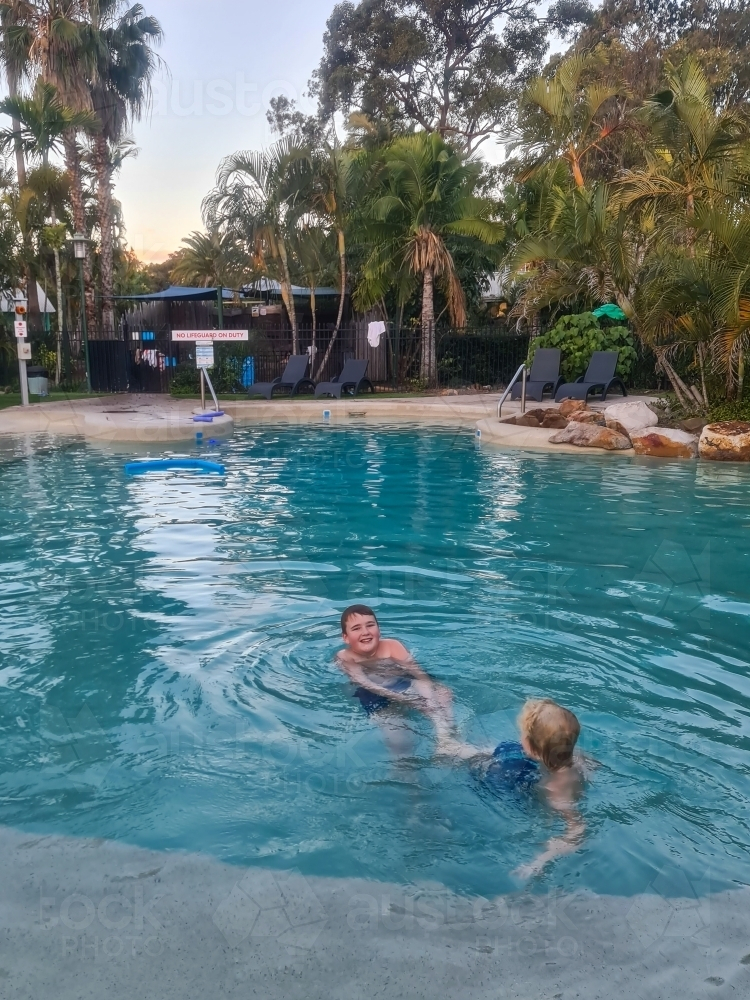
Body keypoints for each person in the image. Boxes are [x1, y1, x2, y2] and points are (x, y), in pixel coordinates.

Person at [335, 605, 479, 759]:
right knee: (400, 741)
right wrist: (404, 699)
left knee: (443, 694)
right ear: (346, 637)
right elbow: (366, 684)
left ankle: (445, 740)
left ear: (379, 629)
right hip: (374, 696)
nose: (365, 632)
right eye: (356, 628)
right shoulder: (345, 657)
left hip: (402, 683)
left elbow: (417, 672)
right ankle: (404, 768)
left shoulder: (392, 646)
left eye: (370, 625)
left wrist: (432, 691)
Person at [507, 698, 592, 879]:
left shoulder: (554, 789)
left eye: (523, 734)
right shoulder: (578, 757)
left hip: (545, 812)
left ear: (532, 749)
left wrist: (542, 860)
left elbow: (578, 829)